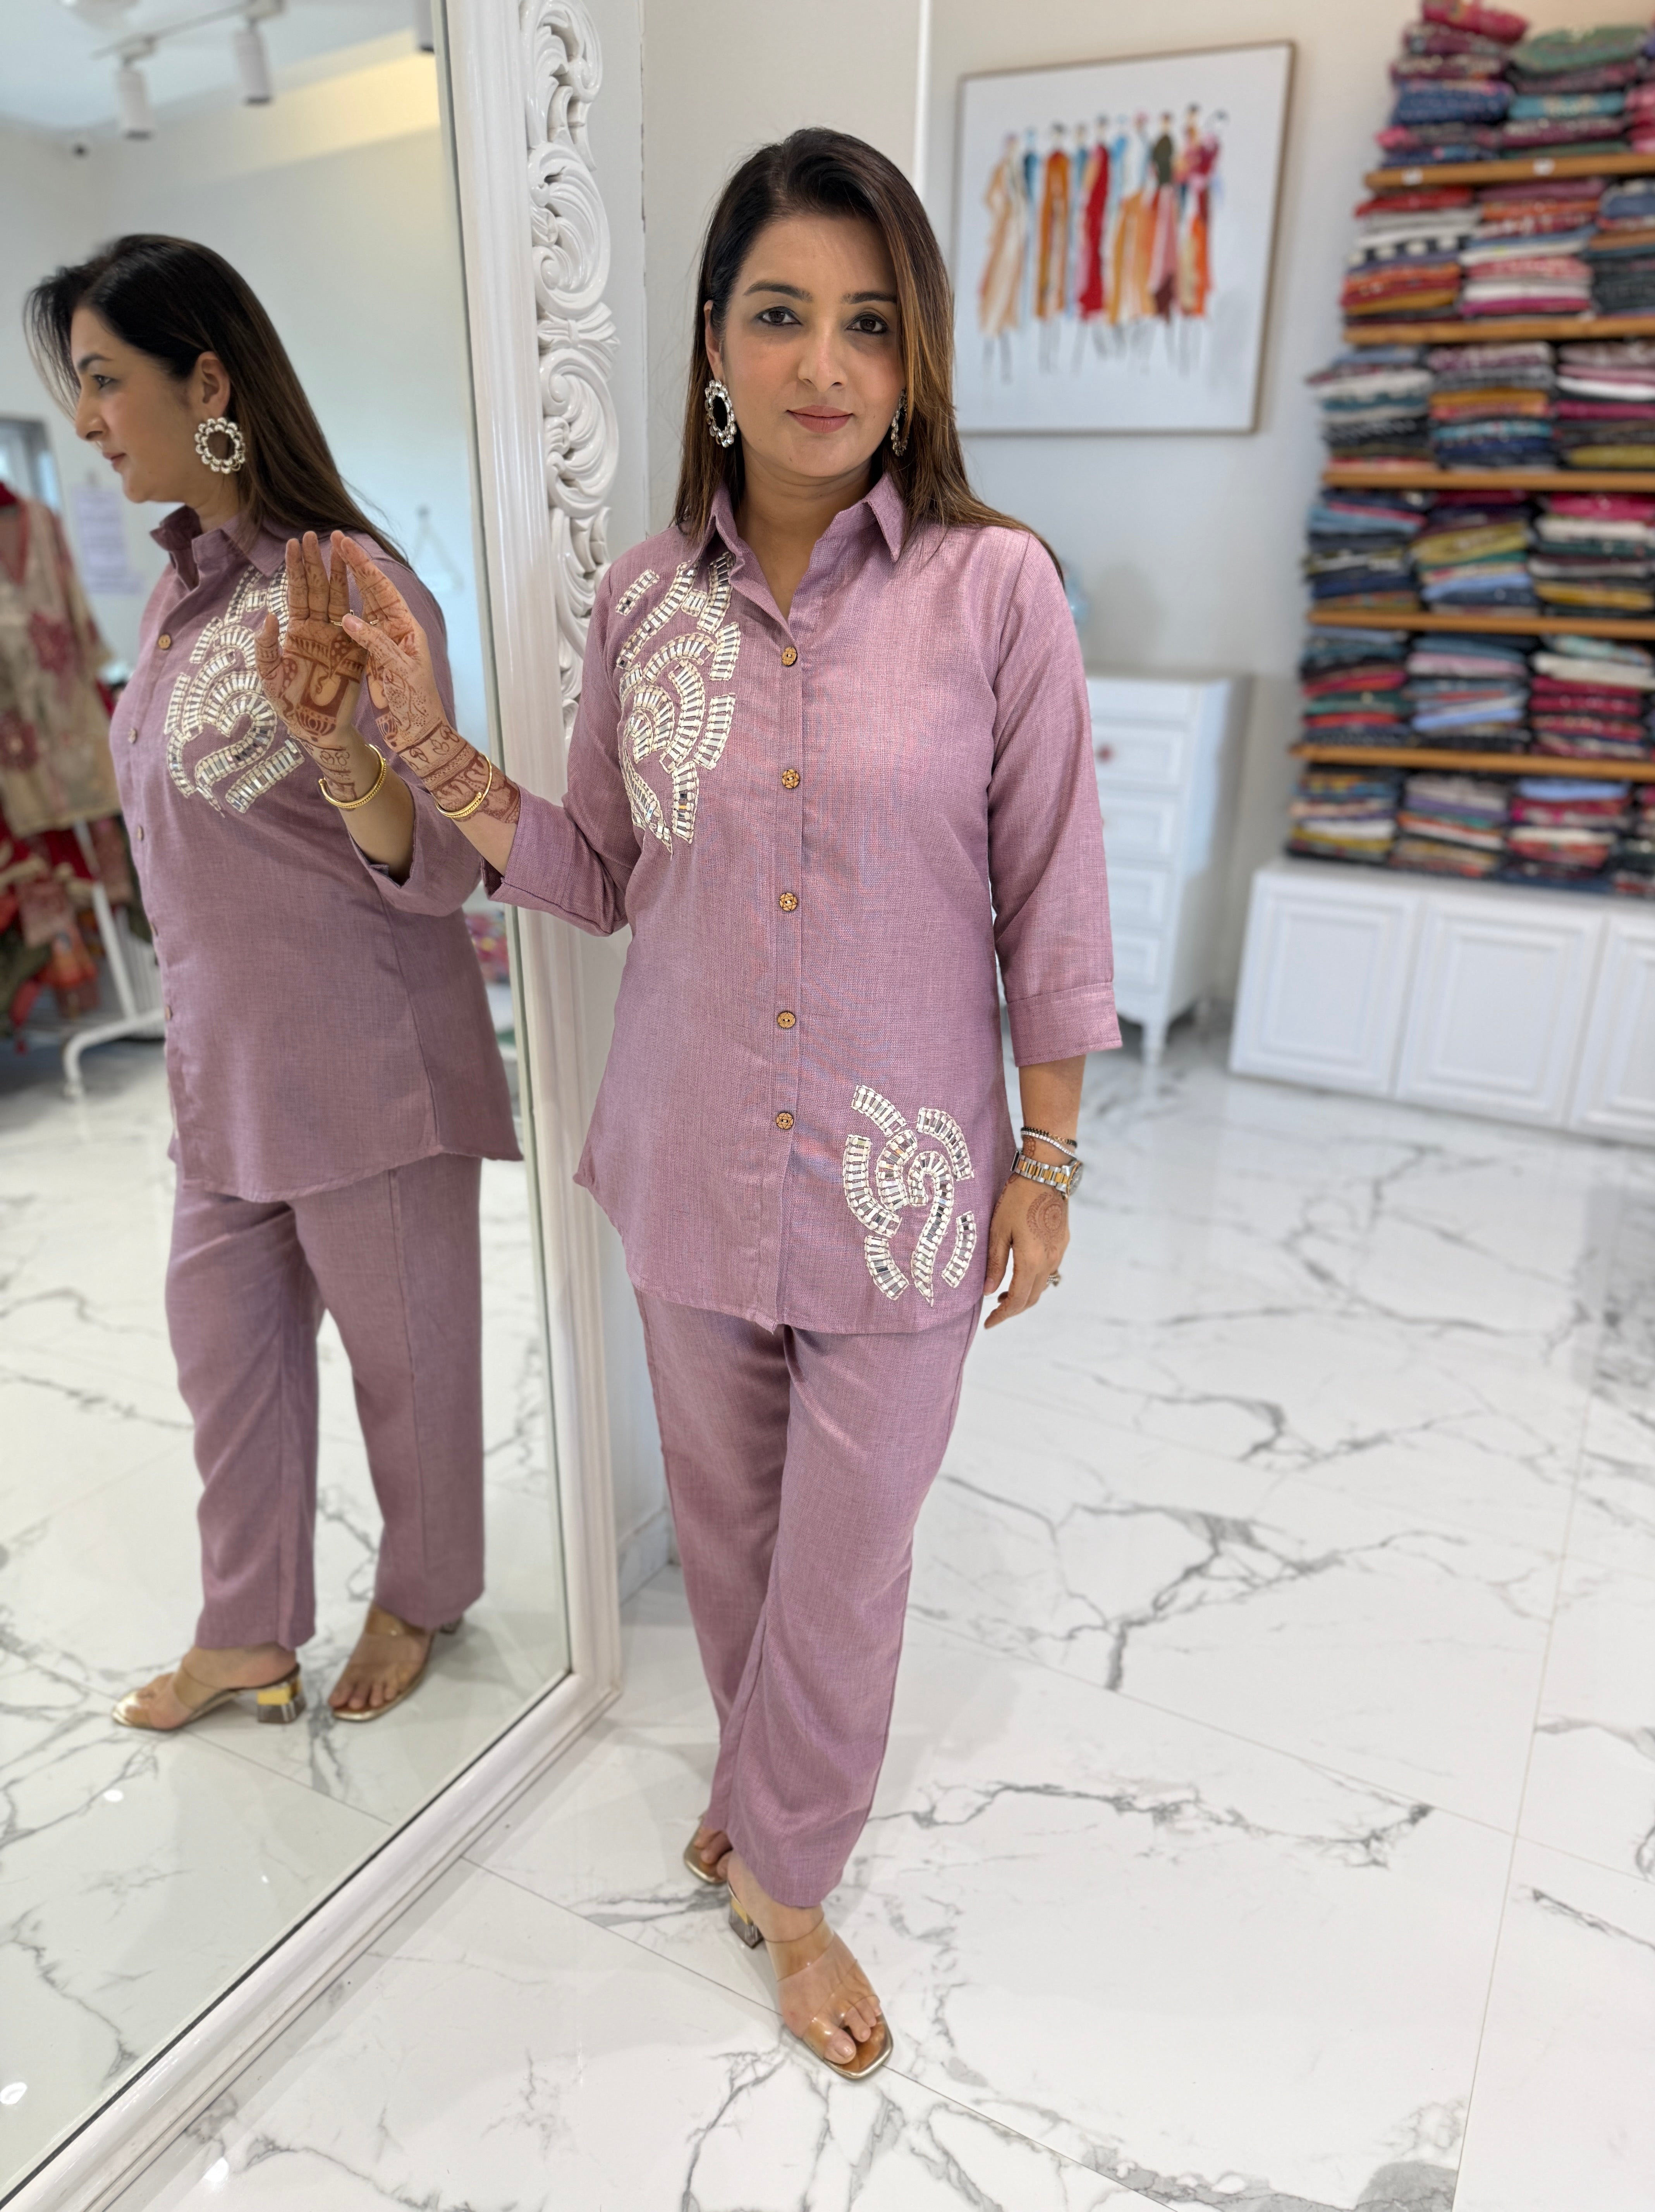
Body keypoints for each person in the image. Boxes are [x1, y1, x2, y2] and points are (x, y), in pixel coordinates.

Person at [330, 129, 1117, 2077]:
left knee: (848, 1563)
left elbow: (1055, 895)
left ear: (916, 359)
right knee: (738, 1540)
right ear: (710, 344)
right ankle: (759, 1799)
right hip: (688, 1160)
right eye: (781, 315)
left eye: (870, 323)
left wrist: (1050, 1158)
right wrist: (420, 736)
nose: (823, 364)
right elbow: (599, 869)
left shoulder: (996, 592)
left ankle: (792, 1879)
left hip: (910, 1188)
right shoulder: (638, 604)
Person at [25, 236, 518, 1729]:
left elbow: (444, 860)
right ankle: (245, 1631)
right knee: (224, 1364)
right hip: (223, 1077)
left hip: (370, 1071)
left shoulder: (355, 586)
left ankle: (423, 1594)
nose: (86, 421)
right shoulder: (177, 598)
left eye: (103, 380)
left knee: (407, 1373)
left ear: (209, 383)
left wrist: (343, 748)